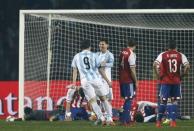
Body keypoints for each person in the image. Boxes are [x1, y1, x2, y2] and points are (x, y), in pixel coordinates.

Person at [71, 40, 113, 125]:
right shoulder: (94, 55)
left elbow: (75, 71)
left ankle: (101, 118)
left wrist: (74, 83)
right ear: (89, 47)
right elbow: (100, 69)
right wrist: (108, 81)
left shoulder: (76, 56)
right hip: (96, 79)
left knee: (93, 101)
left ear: (81, 48)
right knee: (104, 99)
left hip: (85, 81)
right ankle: (109, 119)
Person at [153, 40, 190, 128]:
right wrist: (184, 74)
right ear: (176, 47)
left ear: (168, 47)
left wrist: (158, 75)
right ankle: (173, 122)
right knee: (174, 101)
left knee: (163, 102)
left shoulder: (163, 54)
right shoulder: (180, 55)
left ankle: (158, 122)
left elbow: (154, 64)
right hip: (176, 82)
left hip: (165, 82)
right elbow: (187, 66)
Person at [119, 38, 137, 126]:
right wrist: (136, 81)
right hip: (128, 80)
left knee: (127, 99)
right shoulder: (131, 54)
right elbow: (132, 70)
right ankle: (126, 121)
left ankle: (124, 119)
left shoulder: (122, 51)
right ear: (135, 46)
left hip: (121, 79)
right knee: (129, 99)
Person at [96, 38, 114, 120]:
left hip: (106, 80)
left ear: (107, 45)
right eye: (100, 44)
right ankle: (100, 116)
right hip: (97, 79)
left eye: (103, 44)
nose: (101, 46)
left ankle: (108, 116)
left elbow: (112, 64)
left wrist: (105, 64)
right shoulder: (96, 54)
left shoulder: (109, 54)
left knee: (107, 98)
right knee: (99, 98)